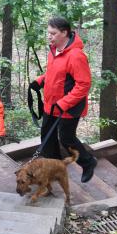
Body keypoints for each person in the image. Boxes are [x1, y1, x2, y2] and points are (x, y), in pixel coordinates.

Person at [29, 16, 97, 183]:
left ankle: (88, 162)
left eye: (53, 33)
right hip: (50, 104)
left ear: (64, 33)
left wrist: (64, 103)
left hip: (68, 107)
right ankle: (55, 170)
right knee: (47, 138)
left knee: (67, 139)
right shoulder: (54, 50)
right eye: (48, 33)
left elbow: (83, 84)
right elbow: (57, 75)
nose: (49, 36)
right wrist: (41, 81)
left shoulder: (76, 56)